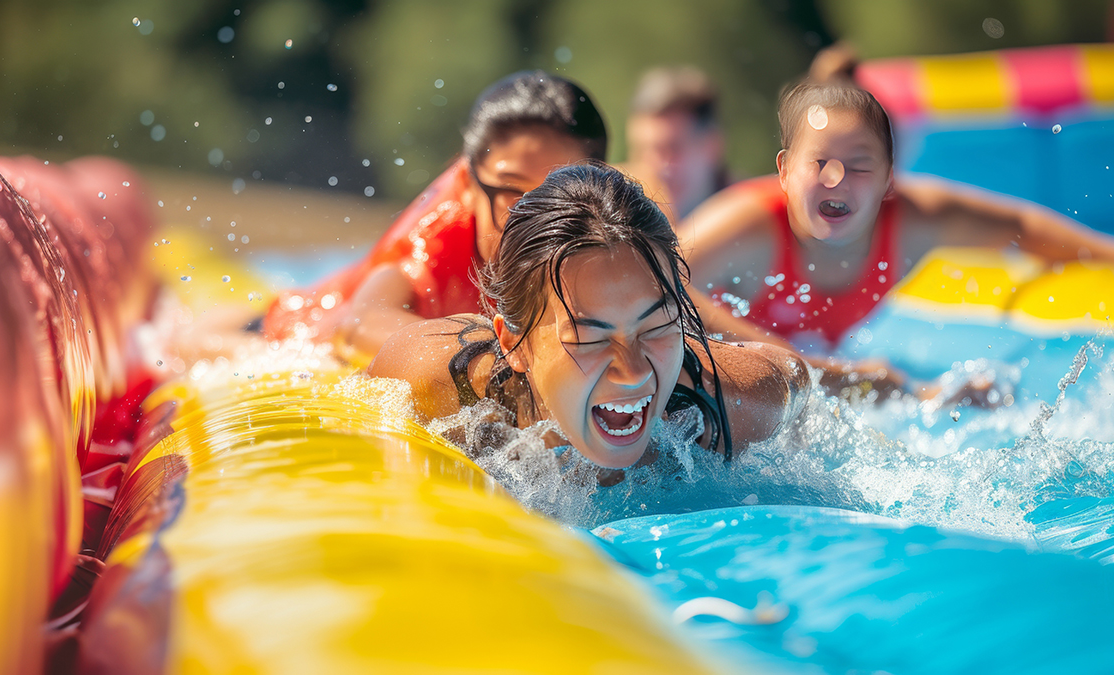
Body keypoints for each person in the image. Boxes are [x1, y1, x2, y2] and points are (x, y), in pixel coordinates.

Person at [368, 162, 809, 472]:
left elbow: (794, 377)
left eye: (656, 327)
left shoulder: (721, 410)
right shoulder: (442, 386)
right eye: (589, 339)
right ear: (512, 344)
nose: (634, 372)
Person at [678, 79, 1114, 351]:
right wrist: (796, 364)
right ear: (785, 171)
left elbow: (1020, 228)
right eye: (818, 163)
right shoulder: (748, 225)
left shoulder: (912, 221)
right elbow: (659, 279)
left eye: (860, 165)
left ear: (889, 180)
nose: (836, 178)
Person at [263, 71, 607, 359]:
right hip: (308, 322)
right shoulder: (438, 243)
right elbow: (360, 323)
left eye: (555, 196)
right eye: (512, 195)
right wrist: (496, 353)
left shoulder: (601, 238)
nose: (535, 222)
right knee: (242, 331)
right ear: (467, 183)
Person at [622, 66, 728, 224]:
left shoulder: (758, 218)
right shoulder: (614, 208)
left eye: (672, 148)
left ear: (712, 146)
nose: (654, 165)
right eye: (642, 149)